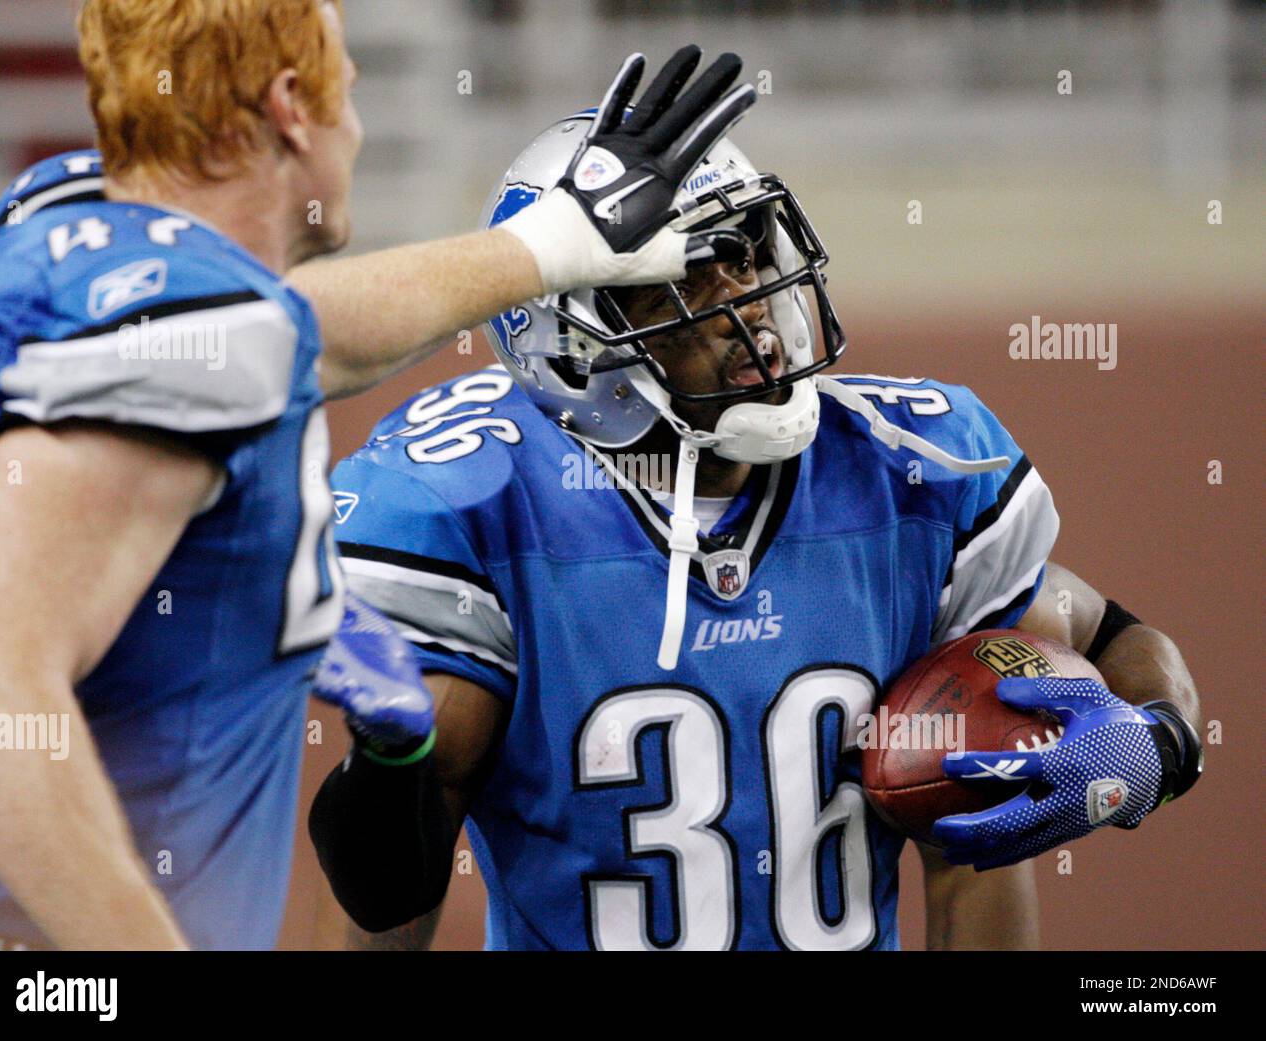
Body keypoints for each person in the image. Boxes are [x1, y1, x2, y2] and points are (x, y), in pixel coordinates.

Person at [309, 115, 1204, 950]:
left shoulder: (906, 474)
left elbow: (1107, 639)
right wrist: (391, 761)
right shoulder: (484, 504)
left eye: (741, 253)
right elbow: (390, 894)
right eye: (681, 277)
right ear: (573, 346)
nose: (744, 301)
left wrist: (1154, 743)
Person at [0, 0, 752, 949]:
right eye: (350, 91)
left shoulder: (60, 219)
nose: (359, 126)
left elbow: (290, 330)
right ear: (292, 106)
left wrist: (551, 247)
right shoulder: (197, 343)